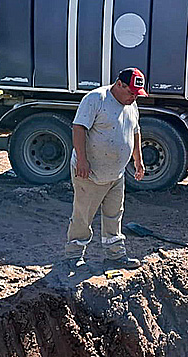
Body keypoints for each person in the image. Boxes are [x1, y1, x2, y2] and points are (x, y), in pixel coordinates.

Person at [65, 67, 147, 271]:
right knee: (83, 215)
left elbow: (135, 130)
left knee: (114, 215)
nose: (133, 98)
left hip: (116, 175)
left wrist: (138, 159)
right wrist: (82, 160)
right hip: (90, 173)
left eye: (137, 95)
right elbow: (79, 128)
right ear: (119, 84)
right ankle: (73, 256)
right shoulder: (96, 99)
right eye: (130, 93)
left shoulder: (131, 104)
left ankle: (115, 256)